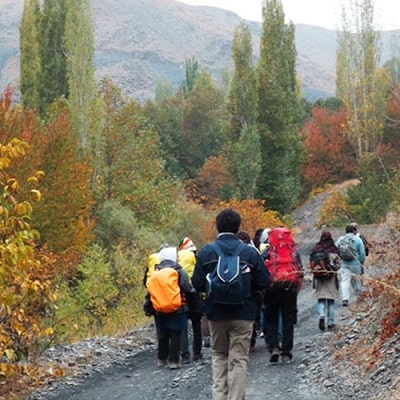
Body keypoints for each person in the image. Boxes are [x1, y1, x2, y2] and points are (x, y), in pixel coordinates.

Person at [191, 208, 269, 400]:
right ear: (237, 227)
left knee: (219, 356)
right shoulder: (249, 252)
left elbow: (197, 283)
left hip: (216, 313)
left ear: (217, 227)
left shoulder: (207, 252)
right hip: (244, 312)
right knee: (239, 359)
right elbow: (264, 281)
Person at [148, 246, 193, 369]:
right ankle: (174, 361)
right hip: (177, 308)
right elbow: (187, 288)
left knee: (162, 334)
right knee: (175, 334)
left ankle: (161, 358)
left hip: (159, 309)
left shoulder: (155, 272)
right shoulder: (179, 271)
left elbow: (150, 290)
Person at [263, 227, 303, 364]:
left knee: (271, 319)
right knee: (288, 321)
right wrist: (296, 290)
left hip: (272, 288)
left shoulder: (267, 252)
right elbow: (300, 272)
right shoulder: (294, 252)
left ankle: (273, 347)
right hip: (290, 287)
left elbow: (262, 272)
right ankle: (286, 352)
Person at [178, 237, 203, 362]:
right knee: (196, 324)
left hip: (180, 294)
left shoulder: (176, 258)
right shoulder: (196, 258)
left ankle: (185, 354)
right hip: (194, 294)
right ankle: (197, 352)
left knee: (183, 325)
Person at [310, 231, 341, 330]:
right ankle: (330, 322)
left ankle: (321, 315)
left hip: (319, 278)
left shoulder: (316, 249)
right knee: (331, 300)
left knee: (321, 298)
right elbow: (338, 265)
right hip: (330, 277)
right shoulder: (333, 250)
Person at [335, 225, 366, 306]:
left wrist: (339, 258)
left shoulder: (341, 239)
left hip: (344, 263)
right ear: (354, 231)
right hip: (355, 263)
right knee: (356, 280)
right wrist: (361, 263)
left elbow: (335, 249)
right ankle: (358, 297)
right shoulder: (357, 239)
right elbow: (362, 253)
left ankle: (345, 299)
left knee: (345, 281)